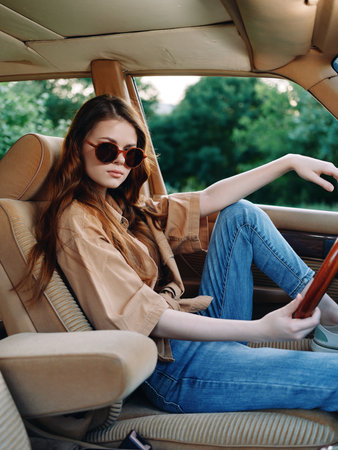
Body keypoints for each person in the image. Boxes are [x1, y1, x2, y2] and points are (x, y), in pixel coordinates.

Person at [28, 94, 338, 413]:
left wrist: (287, 161)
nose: (120, 161)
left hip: (189, 333)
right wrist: (262, 329)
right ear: (80, 146)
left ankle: (331, 316)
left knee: (241, 214)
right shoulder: (76, 221)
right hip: (170, 369)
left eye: (131, 154)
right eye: (107, 150)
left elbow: (208, 198)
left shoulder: (124, 206)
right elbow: (152, 320)